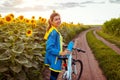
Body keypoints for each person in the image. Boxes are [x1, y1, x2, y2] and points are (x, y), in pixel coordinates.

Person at [44, 11, 68, 80]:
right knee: (54, 76)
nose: (58, 21)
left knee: (54, 75)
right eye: (56, 19)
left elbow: (55, 41)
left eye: (59, 19)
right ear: (51, 22)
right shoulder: (53, 32)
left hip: (54, 57)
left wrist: (62, 43)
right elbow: (49, 48)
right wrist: (61, 52)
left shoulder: (54, 30)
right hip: (55, 58)